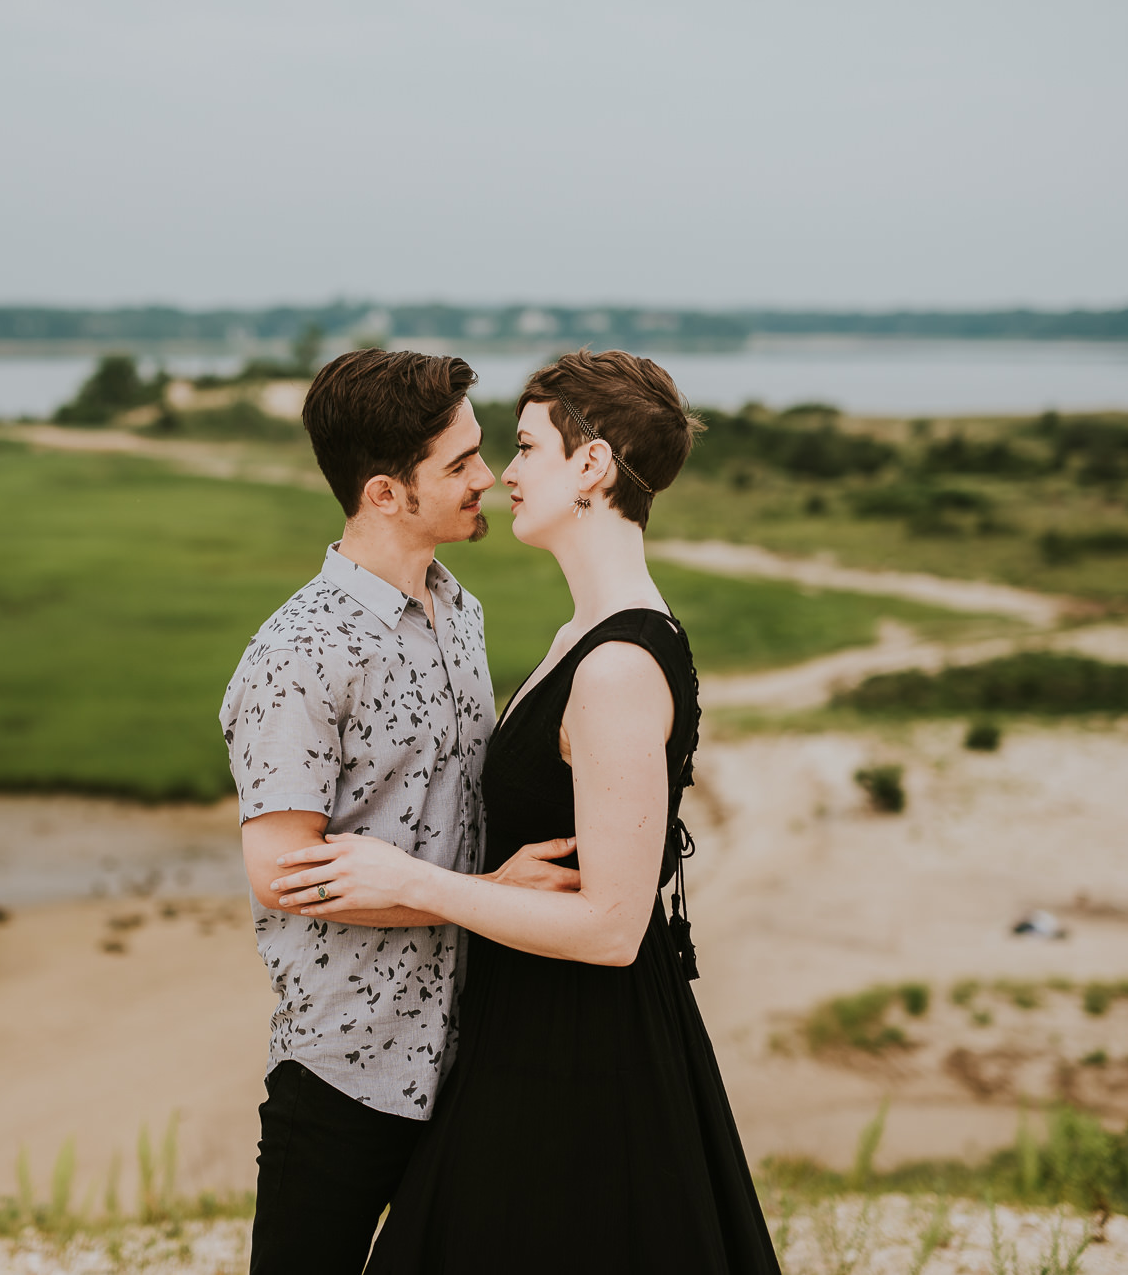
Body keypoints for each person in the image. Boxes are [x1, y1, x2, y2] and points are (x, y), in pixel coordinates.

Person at [268, 350, 782, 1273]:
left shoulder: (618, 664)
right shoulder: (574, 634)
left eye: (523, 447)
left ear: (591, 468)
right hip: (519, 1026)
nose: (502, 474)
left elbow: (614, 928)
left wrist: (418, 880)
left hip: (585, 1044)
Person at [219, 348, 582, 1275]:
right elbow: (281, 873)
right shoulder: (295, 655)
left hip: (475, 1048)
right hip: (346, 1062)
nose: (488, 478)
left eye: (480, 452)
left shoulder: (461, 610)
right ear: (385, 493)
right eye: (457, 464)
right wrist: (479, 893)